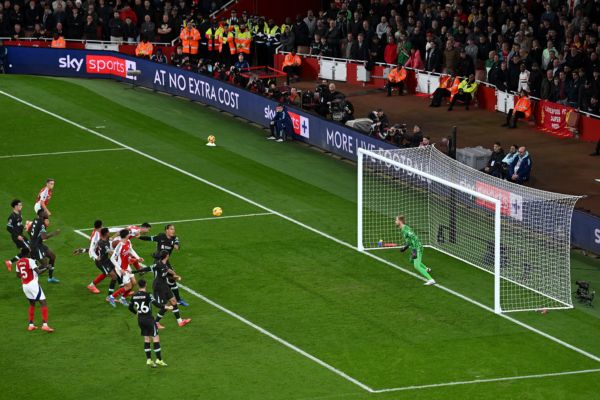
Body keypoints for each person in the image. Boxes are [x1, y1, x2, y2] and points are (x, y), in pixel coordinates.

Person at [134, 251, 191, 328]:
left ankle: (180, 322)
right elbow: (147, 268)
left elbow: (167, 270)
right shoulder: (158, 264)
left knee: (173, 301)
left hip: (164, 285)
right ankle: (156, 323)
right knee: (165, 306)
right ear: (167, 256)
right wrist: (133, 272)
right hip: (158, 287)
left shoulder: (164, 264)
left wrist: (174, 275)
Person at [139, 224, 188, 306]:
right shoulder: (160, 236)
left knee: (173, 278)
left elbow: (177, 247)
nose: (173, 231)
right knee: (158, 281)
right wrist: (139, 237)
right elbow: (149, 238)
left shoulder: (175, 238)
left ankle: (178, 299)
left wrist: (172, 242)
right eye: (171, 229)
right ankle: (155, 299)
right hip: (158, 262)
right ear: (167, 230)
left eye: (173, 229)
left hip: (166, 261)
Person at [128, 279, 171, 367]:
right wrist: (165, 306)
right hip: (149, 320)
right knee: (156, 338)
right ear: (146, 285)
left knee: (146, 339)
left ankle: (149, 360)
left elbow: (130, 307)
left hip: (140, 320)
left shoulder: (134, 295)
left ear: (138, 286)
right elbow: (156, 304)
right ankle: (159, 360)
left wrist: (136, 312)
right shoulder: (148, 295)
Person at [16, 248, 54, 332]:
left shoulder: (18, 263)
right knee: (43, 302)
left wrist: (28, 273)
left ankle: (31, 325)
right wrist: (47, 268)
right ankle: (45, 325)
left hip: (25, 285)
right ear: (28, 253)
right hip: (33, 284)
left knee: (32, 304)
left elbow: (18, 275)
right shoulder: (30, 261)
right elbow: (38, 272)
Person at [395, 215, 435, 285]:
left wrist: (410, 249)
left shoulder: (406, 229)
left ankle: (431, 280)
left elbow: (414, 238)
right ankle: (426, 269)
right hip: (414, 247)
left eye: (396, 220)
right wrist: (406, 247)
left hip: (417, 248)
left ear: (400, 221)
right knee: (411, 260)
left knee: (416, 266)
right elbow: (409, 240)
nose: (395, 221)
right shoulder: (403, 229)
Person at [108, 229, 143, 306]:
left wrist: (138, 258)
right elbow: (112, 258)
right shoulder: (120, 245)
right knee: (128, 286)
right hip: (121, 268)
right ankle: (111, 297)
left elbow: (131, 250)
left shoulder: (128, 242)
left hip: (127, 266)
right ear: (126, 235)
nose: (130, 234)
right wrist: (120, 270)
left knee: (134, 283)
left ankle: (122, 298)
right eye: (129, 233)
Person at [29, 210, 60, 283]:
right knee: (45, 265)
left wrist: (34, 238)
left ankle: (50, 278)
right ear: (42, 214)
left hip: (38, 244)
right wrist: (54, 233)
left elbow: (29, 231)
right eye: (45, 212)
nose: (46, 213)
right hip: (36, 246)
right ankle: (30, 273)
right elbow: (44, 237)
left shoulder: (35, 220)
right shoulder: (42, 224)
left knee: (52, 256)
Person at [5, 199, 30, 272]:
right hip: (17, 237)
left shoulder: (19, 213)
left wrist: (25, 227)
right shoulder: (12, 217)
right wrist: (17, 236)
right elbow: (8, 228)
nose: (21, 206)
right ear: (15, 206)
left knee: (26, 250)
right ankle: (32, 266)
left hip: (21, 235)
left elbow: (19, 224)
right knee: (28, 249)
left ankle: (10, 262)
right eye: (20, 205)